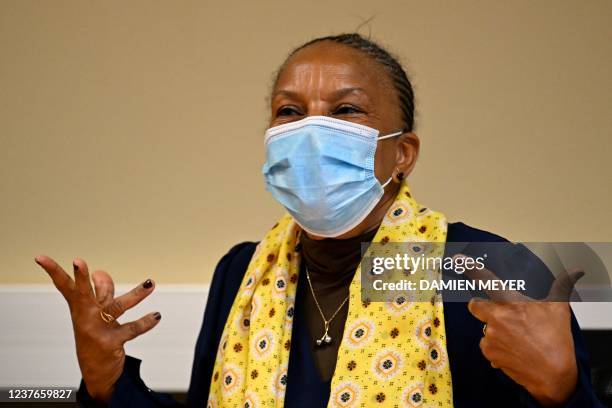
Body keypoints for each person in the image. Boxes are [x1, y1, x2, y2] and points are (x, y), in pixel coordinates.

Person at [35, 33, 603, 407]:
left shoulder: (479, 267)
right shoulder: (241, 273)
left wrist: (563, 390)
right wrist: (106, 377)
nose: (310, 130)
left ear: (402, 153)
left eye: (345, 110)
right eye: (289, 111)